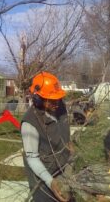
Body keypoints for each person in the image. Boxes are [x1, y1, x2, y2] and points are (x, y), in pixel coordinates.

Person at [21, 71, 72, 202]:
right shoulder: (30, 122)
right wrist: (50, 182)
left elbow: (64, 128)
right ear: (38, 99)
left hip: (64, 168)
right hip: (44, 177)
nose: (57, 103)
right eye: (52, 101)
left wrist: (68, 144)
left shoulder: (60, 106)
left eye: (58, 99)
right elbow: (32, 158)